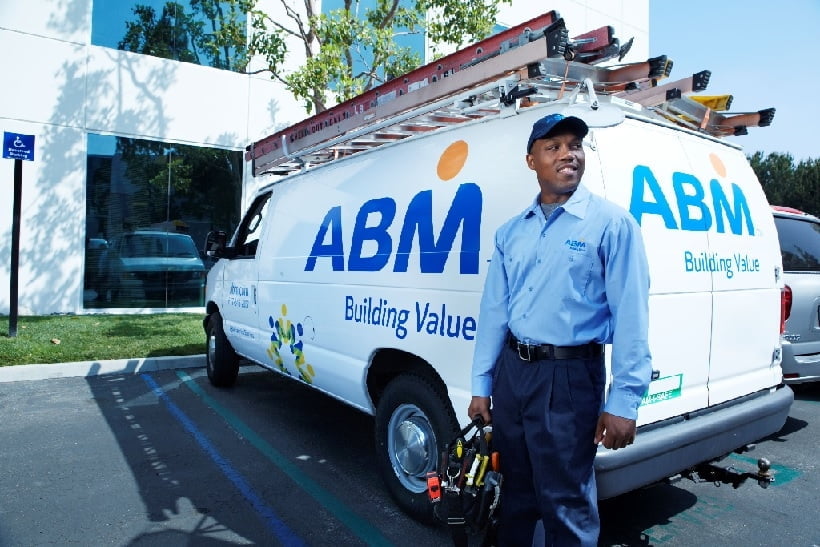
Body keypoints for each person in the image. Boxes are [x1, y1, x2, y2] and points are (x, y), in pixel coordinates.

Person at [467, 113, 652, 546]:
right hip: (514, 375)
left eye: (574, 145)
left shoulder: (611, 224)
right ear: (531, 161)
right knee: (515, 492)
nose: (568, 154)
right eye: (553, 147)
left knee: (565, 502)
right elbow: (494, 312)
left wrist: (624, 401)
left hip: (568, 380)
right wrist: (482, 385)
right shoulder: (511, 232)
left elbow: (632, 316)